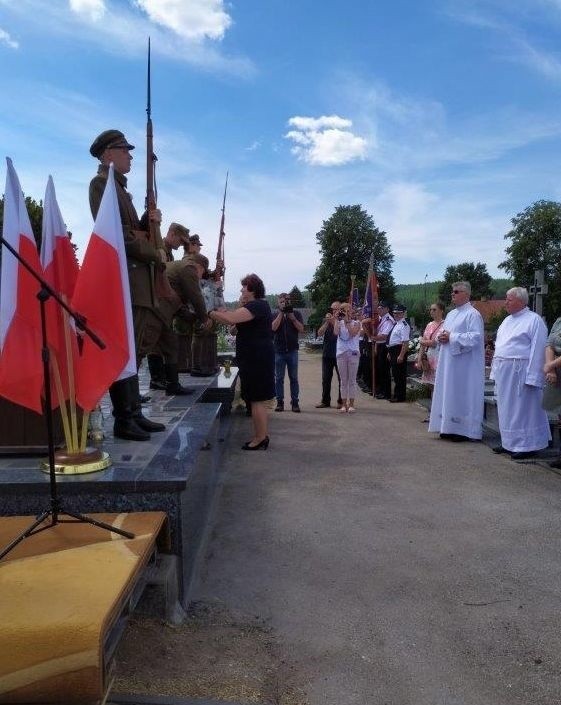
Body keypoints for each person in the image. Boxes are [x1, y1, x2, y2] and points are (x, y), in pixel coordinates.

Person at [89, 129, 166, 441]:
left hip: (136, 281)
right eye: (124, 150)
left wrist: (149, 219)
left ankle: (134, 413)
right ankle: (124, 418)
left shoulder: (119, 189)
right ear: (108, 153)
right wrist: (154, 250)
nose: (130, 156)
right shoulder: (101, 184)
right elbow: (117, 232)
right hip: (126, 280)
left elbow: (132, 228)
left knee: (134, 350)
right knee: (126, 350)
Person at [209, 274, 274, 450]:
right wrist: (236, 308)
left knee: (257, 399)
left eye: (244, 287)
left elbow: (229, 319)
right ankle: (261, 436)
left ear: (252, 289)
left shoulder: (257, 305)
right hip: (253, 359)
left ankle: (260, 438)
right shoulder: (253, 307)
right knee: (254, 399)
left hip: (257, 359)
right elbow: (233, 329)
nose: (241, 290)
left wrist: (208, 311)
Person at [490, 287, 550, 459]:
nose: (506, 302)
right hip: (504, 371)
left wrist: (533, 376)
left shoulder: (534, 320)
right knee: (506, 408)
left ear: (521, 301)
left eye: (509, 299)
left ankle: (526, 445)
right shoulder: (506, 321)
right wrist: (495, 371)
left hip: (521, 372)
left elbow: (538, 349)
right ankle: (509, 442)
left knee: (522, 409)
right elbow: (499, 347)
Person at [428, 281, 485, 442]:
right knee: (448, 392)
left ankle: (463, 430)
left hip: (464, 365)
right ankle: (447, 427)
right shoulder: (452, 314)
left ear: (466, 294)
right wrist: (442, 337)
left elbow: (475, 338)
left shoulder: (473, 314)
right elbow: (444, 333)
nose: (452, 294)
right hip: (448, 362)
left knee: (461, 393)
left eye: (456, 292)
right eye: (452, 292)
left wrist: (451, 337)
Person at [147, 222, 192, 388]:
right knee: (152, 344)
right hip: (156, 303)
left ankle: (162, 381)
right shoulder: (159, 249)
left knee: (162, 344)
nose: (181, 245)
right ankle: (159, 380)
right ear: (172, 234)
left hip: (164, 305)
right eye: (180, 240)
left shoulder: (170, 254)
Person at [272, 293, 305, 412]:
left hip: (292, 351)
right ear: (278, 303)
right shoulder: (274, 314)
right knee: (279, 378)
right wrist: (281, 313)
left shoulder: (296, 314)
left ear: (290, 302)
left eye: (286, 301)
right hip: (279, 351)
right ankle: (279, 402)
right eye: (281, 301)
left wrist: (293, 318)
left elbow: (301, 329)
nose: (284, 303)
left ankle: (295, 402)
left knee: (294, 378)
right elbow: (273, 328)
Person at [416, 301, 445, 421]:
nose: (431, 312)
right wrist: (419, 358)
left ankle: (440, 413)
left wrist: (423, 341)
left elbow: (434, 342)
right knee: (431, 386)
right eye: (431, 310)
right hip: (430, 357)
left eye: (434, 309)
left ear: (441, 311)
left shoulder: (446, 324)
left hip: (440, 357)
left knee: (440, 387)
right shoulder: (429, 325)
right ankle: (433, 413)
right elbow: (424, 343)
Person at [333, 303, 361, 413]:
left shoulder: (357, 323)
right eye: (343, 310)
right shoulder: (339, 323)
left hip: (353, 353)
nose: (346, 312)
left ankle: (352, 404)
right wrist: (336, 319)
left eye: (347, 310)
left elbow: (353, 333)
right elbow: (335, 332)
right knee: (343, 381)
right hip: (341, 353)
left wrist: (347, 321)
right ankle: (344, 404)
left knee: (352, 380)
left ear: (351, 311)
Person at [315, 301, 343, 409]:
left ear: (340, 310)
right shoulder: (326, 320)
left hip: (339, 354)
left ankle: (341, 401)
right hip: (327, 354)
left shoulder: (342, 320)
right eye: (332, 309)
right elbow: (319, 333)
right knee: (326, 379)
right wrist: (327, 322)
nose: (334, 311)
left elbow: (340, 333)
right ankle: (325, 401)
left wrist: (334, 320)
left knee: (341, 379)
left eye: (336, 309)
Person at [543, 316, 561, 468]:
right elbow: (549, 344)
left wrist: (550, 365)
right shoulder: (559, 321)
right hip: (557, 371)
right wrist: (552, 368)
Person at [386, 304, 410, 403]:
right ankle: (396, 394)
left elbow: (405, 342)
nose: (396, 315)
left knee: (399, 375)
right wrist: (389, 353)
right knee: (395, 374)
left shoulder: (404, 325)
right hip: (393, 350)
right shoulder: (397, 324)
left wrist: (401, 355)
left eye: (398, 313)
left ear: (403, 313)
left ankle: (400, 396)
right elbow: (393, 339)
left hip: (399, 350)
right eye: (395, 313)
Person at [373, 302, 395, 400]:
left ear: (387, 309)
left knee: (384, 370)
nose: (379, 310)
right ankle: (381, 390)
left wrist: (373, 337)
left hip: (385, 346)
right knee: (380, 369)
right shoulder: (382, 319)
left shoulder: (388, 320)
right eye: (378, 308)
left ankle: (386, 392)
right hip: (380, 345)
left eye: (381, 308)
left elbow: (385, 335)